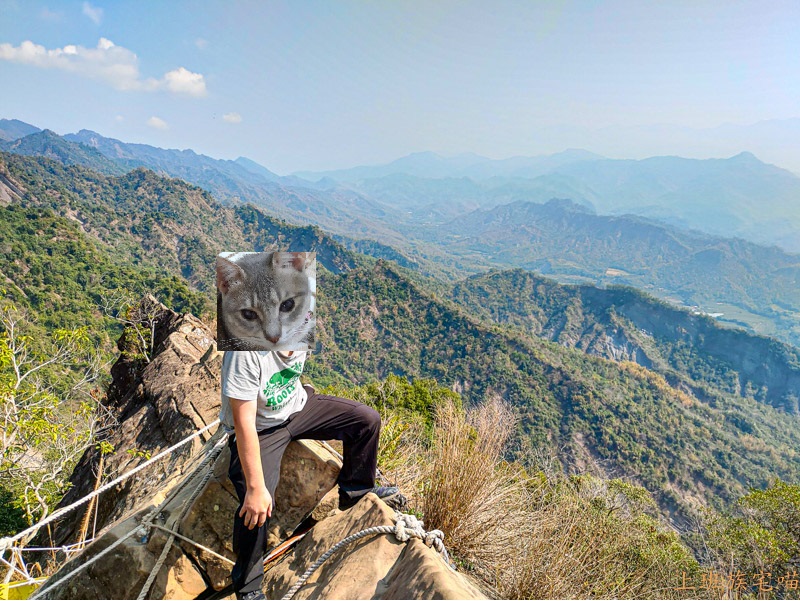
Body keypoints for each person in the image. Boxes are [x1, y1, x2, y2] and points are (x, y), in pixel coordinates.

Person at [220, 348, 400, 600]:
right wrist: (254, 488)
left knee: (366, 420)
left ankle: (355, 492)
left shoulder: (300, 323)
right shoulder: (246, 349)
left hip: (298, 408)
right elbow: (244, 423)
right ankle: (248, 587)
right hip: (262, 429)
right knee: (260, 503)